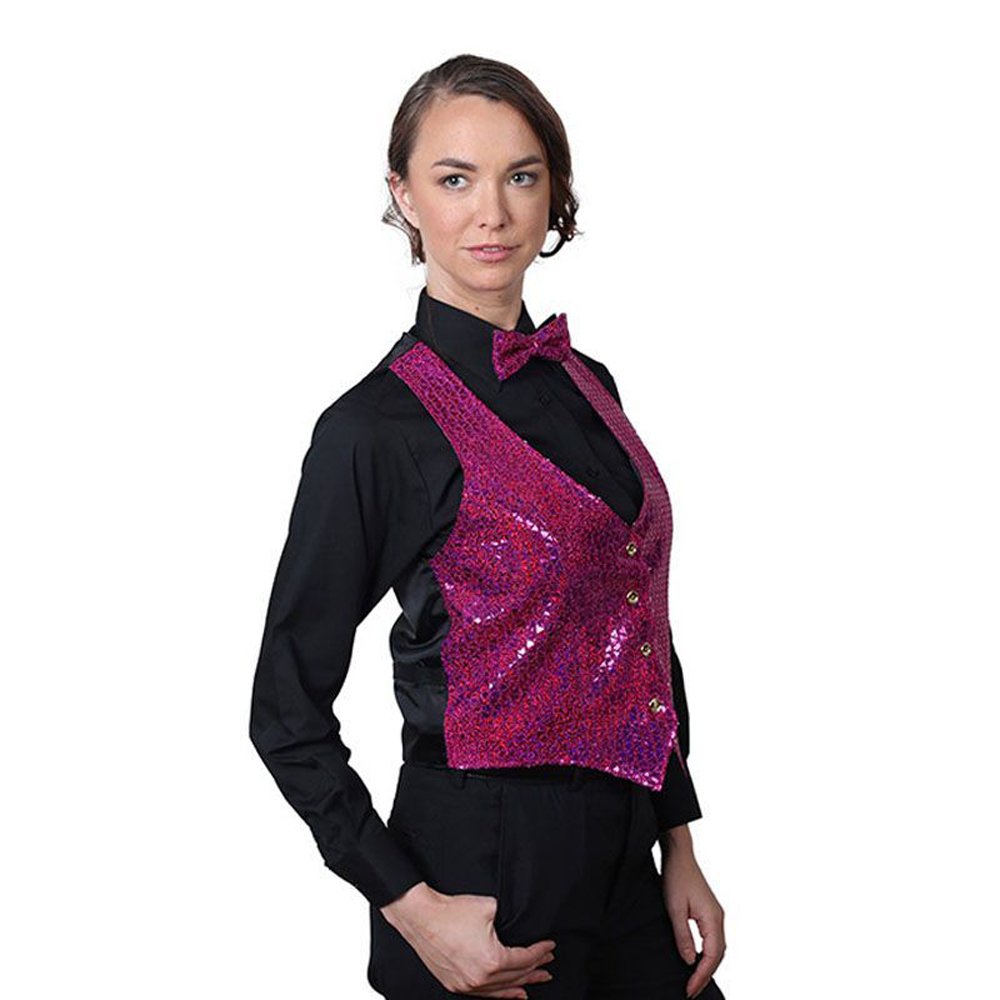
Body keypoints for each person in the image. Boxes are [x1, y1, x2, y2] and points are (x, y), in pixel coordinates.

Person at [249, 54, 727, 1000]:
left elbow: (637, 627)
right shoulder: (374, 430)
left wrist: (678, 840)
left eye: (521, 176)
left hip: (629, 857)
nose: (493, 214)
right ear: (404, 195)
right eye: (455, 179)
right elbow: (284, 707)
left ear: (554, 192)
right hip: (482, 867)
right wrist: (410, 906)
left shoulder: (591, 384)